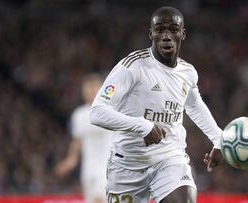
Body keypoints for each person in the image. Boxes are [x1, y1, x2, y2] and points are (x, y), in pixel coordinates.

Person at [90, 6, 223, 203]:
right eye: (160, 29)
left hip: (169, 157)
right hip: (128, 164)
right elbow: (97, 112)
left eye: (173, 30)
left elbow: (194, 104)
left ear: (182, 34)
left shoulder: (188, 72)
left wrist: (218, 138)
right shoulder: (132, 67)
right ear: (151, 33)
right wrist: (143, 126)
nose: (166, 36)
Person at [55, 74, 112, 203]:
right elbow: (77, 141)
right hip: (88, 169)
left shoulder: (112, 110)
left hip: (108, 168)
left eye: (95, 88)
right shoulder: (79, 115)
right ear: (83, 92)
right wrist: (71, 160)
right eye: (88, 89)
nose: (92, 92)